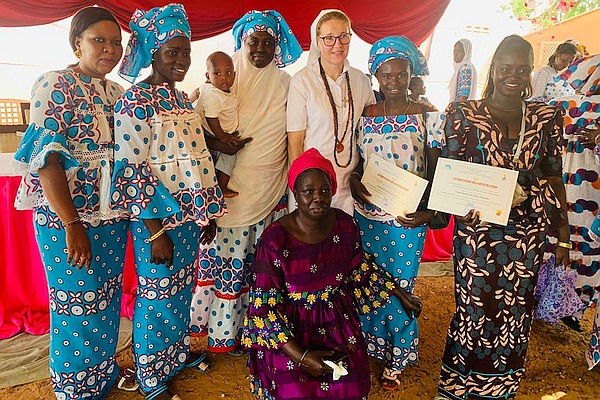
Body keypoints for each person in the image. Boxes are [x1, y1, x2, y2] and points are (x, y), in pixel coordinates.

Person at [435, 35, 570, 400]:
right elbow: (449, 171)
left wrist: (564, 234)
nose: (514, 75)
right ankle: (457, 388)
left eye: (522, 69)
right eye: (506, 68)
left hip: (528, 235)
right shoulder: (463, 113)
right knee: (473, 312)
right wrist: (452, 203)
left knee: (515, 315)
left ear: (530, 71)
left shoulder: (546, 117)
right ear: (493, 68)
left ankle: (500, 391)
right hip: (478, 235)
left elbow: (553, 173)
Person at [12, 7, 131, 399]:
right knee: (76, 305)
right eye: (99, 40)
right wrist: (71, 224)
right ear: (76, 42)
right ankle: (75, 389)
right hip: (67, 219)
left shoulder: (117, 93)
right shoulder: (53, 84)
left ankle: (101, 374)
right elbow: (47, 158)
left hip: (110, 215)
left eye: (116, 42)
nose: (110, 49)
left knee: (106, 299)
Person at [241, 148, 423, 399]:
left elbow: (360, 269)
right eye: (308, 191)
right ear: (295, 193)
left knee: (354, 385)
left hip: (337, 321)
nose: (317, 198)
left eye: (324, 190)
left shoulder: (345, 226)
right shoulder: (274, 240)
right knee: (296, 391)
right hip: (291, 333)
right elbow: (263, 310)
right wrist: (302, 357)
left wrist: (399, 293)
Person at [112, 4, 227, 399]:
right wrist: (155, 229)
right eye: (172, 52)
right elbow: (132, 170)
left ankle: (174, 355)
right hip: (157, 225)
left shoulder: (181, 101)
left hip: (189, 221)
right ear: (152, 52)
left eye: (186, 51)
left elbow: (196, 160)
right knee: (158, 297)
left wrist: (206, 212)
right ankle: (151, 375)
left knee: (180, 292)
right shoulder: (134, 102)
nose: (181, 60)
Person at [189, 10, 303, 354]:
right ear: (242, 41)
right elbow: (195, 126)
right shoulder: (225, 76)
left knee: (259, 267)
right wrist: (219, 145)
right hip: (231, 189)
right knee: (229, 261)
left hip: (270, 185)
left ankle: (256, 331)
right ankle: (221, 333)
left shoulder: (286, 82)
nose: (261, 49)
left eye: (269, 43)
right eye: (255, 42)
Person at [349, 35, 444, 391]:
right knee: (367, 282)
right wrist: (356, 181)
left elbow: (436, 170)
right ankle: (369, 344)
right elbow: (358, 164)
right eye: (386, 75)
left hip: (406, 220)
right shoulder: (367, 115)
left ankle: (396, 357)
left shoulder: (428, 115)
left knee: (401, 285)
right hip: (367, 215)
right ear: (376, 77)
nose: (393, 82)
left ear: (411, 74)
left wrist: (429, 211)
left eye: (400, 75)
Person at [287, 9, 374, 215]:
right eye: (329, 38)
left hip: (350, 184)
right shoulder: (303, 81)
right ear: (317, 41)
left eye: (344, 36)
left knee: (344, 243)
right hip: (312, 186)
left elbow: (369, 132)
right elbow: (295, 143)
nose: (338, 45)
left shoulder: (360, 80)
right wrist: (300, 188)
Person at [548, 54, 600, 332]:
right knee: (590, 252)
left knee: (559, 245)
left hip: (563, 186)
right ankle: (578, 307)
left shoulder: (562, 106)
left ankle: (551, 303)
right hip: (592, 195)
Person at [194, 51, 240, 198]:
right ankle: (222, 187)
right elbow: (211, 118)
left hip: (219, 131)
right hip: (211, 132)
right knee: (229, 156)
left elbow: (197, 91)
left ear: (234, 74)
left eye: (228, 73)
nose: (224, 78)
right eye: (217, 74)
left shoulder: (214, 89)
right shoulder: (213, 95)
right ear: (208, 76)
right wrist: (223, 137)